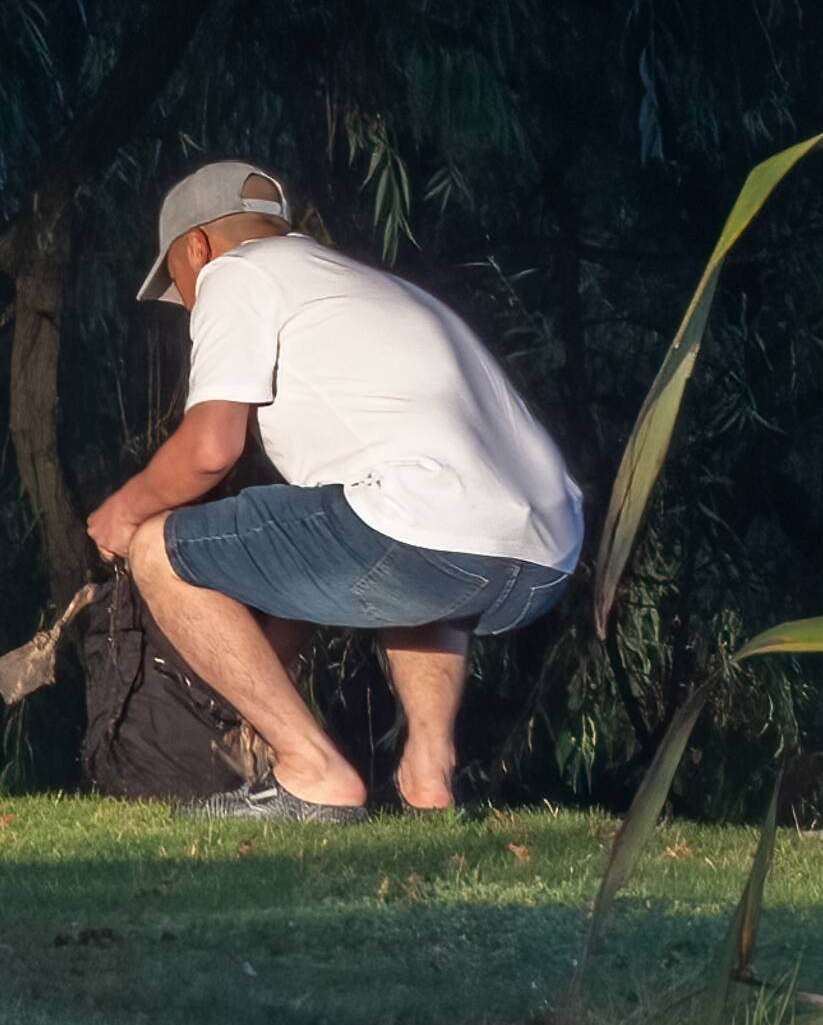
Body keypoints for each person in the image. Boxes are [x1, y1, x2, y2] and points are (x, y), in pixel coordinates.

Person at [85, 160, 583, 822]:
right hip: (543, 558)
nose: (189, 307)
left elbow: (211, 449)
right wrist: (259, 680)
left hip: (423, 530)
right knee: (413, 562)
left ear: (196, 247)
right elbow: (331, 569)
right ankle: (428, 772)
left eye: (180, 286)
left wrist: (125, 509)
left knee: (157, 546)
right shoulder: (371, 291)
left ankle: (314, 773)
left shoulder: (237, 272)